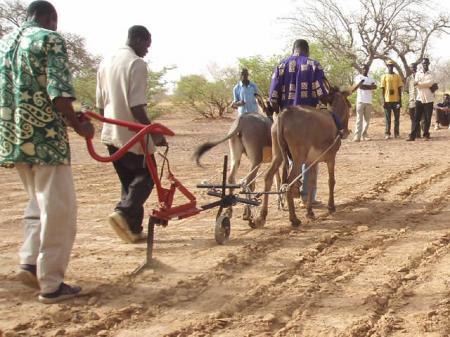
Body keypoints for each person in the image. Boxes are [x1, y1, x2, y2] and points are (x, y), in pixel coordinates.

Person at [0, 0, 95, 303]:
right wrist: (80, 126)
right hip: (45, 141)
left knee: (36, 204)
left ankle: (29, 261)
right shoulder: (49, 39)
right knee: (59, 211)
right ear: (48, 18)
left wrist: (80, 114)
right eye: (55, 22)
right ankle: (52, 283)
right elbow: (60, 93)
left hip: (14, 139)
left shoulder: (5, 45)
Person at [96, 26, 166, 244]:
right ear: (137, 39)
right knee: (146, 178)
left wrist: (108, 126)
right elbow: (136, 107)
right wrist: (154, 133)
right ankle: (123, 212)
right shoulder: (136, 63)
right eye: (146, 44)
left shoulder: (106, 61)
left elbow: (100, 105)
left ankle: (133, 230)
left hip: (111, 134)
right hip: (132, 136)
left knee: (129, 183)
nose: (147, 50)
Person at [269, 39, 329, 203]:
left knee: (285, 156)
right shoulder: (313, 65)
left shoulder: (281, 65)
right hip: (308, 118)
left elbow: (272, 97)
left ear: (293, 49)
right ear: (307, 50)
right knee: (310, 159)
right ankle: (307, 197)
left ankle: (288, 189)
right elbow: (321, 92)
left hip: (285, 118)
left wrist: (278, 114)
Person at [407, 58, 436, 141]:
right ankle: (412, 136)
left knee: (427, 118)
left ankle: (426, 134)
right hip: (419, 99)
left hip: (429, 99)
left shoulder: (431, 74)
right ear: (422, 64)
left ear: (429, 64)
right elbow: (415, 84)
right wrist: (425, 84)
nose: (425, 65)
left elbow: (430, 83)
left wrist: (420, 84)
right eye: (424, 63)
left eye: (426, 63)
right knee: (416, 118)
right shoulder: (418, 74)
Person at [351, 64, 377, 142]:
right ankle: (357, 137)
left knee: (367, 120)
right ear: (361, 69)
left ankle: (364, 135)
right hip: (360, 100)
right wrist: (369, 87)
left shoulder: (371, 78)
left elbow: (375, 87)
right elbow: (360, 86)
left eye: (366, 68)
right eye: (363, 68)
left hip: (368, 101)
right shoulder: (359, 77)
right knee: (359, 119)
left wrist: (365, 86)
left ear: (368, 69)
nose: (365, 70)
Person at [380, 60, 403, 139]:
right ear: (387, 66)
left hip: (396, 100)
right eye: (389, 65)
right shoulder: (384, 76)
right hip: (387, 100)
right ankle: (387, 133)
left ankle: (396, 133)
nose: (391, 67)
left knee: (397, 118)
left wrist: (400, 101)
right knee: (388, 118)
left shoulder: (397, 76)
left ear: (394, 66)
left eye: (392, 65)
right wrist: (383, 101)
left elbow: (400, 89)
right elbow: (382, 89)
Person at [404, 63, 421, 138]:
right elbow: (406, 90)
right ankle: (415, 133)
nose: (413, 68)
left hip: (419, 99)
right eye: (411, 67)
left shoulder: (419, 76)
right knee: (412, 117)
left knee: (419, 117)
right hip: (411, 100)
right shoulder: (408, 78)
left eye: (414, 67)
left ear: (416, 67)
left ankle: (418, 134)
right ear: (410, 69)